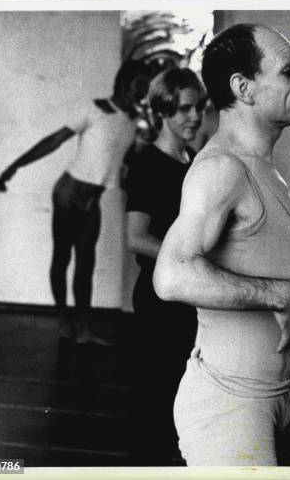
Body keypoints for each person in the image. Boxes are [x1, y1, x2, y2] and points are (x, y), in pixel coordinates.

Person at [153, 23, 290, 466]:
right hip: (228, 406)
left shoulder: (261, 166)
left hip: (269, 398)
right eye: (287, 71)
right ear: (243, 88)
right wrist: (278, 295)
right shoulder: (221, 169)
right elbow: (171, 276)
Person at [0, 59, 152, 345]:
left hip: (93, 200)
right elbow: (54, 140)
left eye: (145, 88)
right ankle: (63, 321)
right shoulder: (95, 109)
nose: (142, 93)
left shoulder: (132, 122)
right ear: (124, 83)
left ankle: (84, 329)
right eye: (139, 86)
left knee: (85, 265)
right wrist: (13, 167)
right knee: (62, 256)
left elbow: (123, 160)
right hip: (68, 195)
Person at [123, 67, 207, 464]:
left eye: (199, 108)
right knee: (156, 397)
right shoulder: (147, 164)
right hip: (159, 294)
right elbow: (135, 236)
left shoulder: (192, 158)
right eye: (184, 110)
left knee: (184, 391)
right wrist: (187, 258)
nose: (194, 117)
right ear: (162, 111)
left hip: (187, 290)